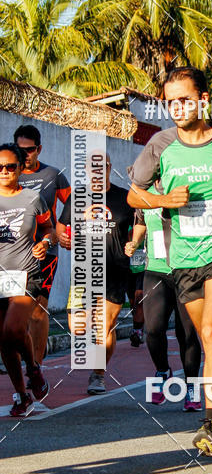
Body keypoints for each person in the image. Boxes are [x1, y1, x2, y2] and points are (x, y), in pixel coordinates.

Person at [127, 66, 212, 457]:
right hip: (183, 255)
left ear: (203, 99)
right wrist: (164, 200)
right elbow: (135, 195)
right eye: (171, 102)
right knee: (208, 337)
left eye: (185, 99)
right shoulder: (160, 146)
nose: (178, 108)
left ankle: (210, 424)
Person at [57, 152, 134, 395]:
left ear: (110, 167)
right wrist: (61, 237)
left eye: (104, 166)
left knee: (105, 326)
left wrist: (135, 242)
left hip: (115, 269)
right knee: (78, 327)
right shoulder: (78, 197)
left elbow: (139, 225)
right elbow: (62, 224)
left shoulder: (124, 197)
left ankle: (98, 375)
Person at [124, 186, 202, 409]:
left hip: (186, 269)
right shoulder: (145, 192)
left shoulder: (185, 188)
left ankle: (191, 388)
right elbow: (141, 221)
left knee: (186, 332)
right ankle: (162, 371)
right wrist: (135, 242)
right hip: (156, 270)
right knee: (153, 329)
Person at [0, 143, 52, 416]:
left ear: (21, 168)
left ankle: (33, 367)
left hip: (25, 272)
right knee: (4, 341)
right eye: (0, 167)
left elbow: (48, 227)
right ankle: (22, 396)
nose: (5, 171)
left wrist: (45, 242)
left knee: (12, 329)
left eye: (10, 166)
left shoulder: (33, 198)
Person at [14, 124, 71, 364]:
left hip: (45, 250)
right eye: (20, 150)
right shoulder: (6, 172)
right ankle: (20, 356)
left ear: (39, 149)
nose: (25, 155)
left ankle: (36, 366)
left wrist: (64, 229)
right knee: (15, 309)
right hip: (12, 252)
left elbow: (73, 203)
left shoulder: (53, 175)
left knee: (38, 307)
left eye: (30, 150)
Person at [126, 237, 146, 347]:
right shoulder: (126, 220)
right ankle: (138, 325)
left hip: (144, 266)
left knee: (139, 299)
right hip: (128, 266)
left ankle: (137, 331)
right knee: (132, 301)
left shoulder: (144, 220)